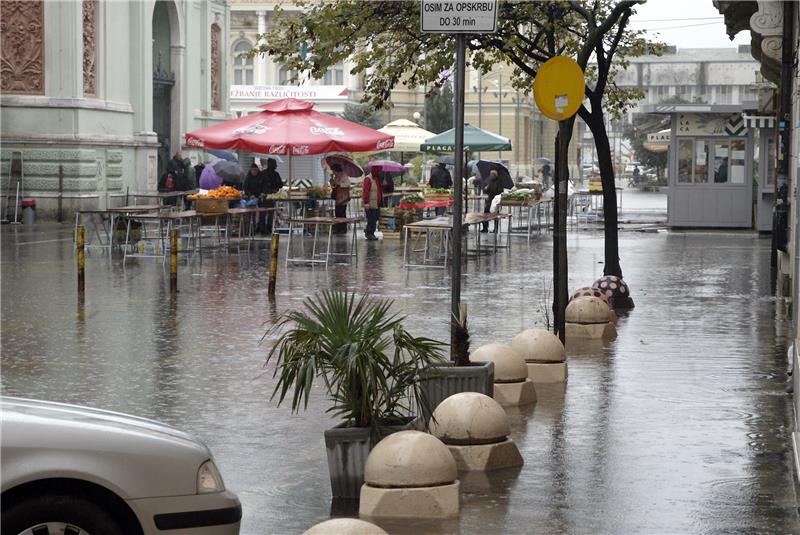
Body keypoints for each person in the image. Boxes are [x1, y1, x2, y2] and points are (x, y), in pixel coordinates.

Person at [260, 158, 284, 234]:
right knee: (271, 212)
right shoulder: (276, 174)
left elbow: (259, 183)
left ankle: (262, 228)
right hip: (273, 195)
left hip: (264, 195)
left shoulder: (263, 173)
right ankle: (269, 227)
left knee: (263, 212)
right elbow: (280, 185)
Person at [362, 166, 383, 241]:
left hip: (375, 203)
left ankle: (369, 231)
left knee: (375, 218)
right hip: (370, 203)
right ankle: (370, 233)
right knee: (371, 219)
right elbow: (366, 191)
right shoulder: (368, 179)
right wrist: (366, 202)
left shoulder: (376, 178)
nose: (379, 172)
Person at [329, 163, 351, 234]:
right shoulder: (336, 177)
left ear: (336, 170)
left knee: (342, 213)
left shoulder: (344, 175)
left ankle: (343, 228)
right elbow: (334, 187)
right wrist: (332, 181)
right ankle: (338, 228)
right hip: (337, 197)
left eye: (333, 171)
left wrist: (339, 184)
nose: (333, 172)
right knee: (337, 212)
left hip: (343, 197)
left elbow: (348, 184)